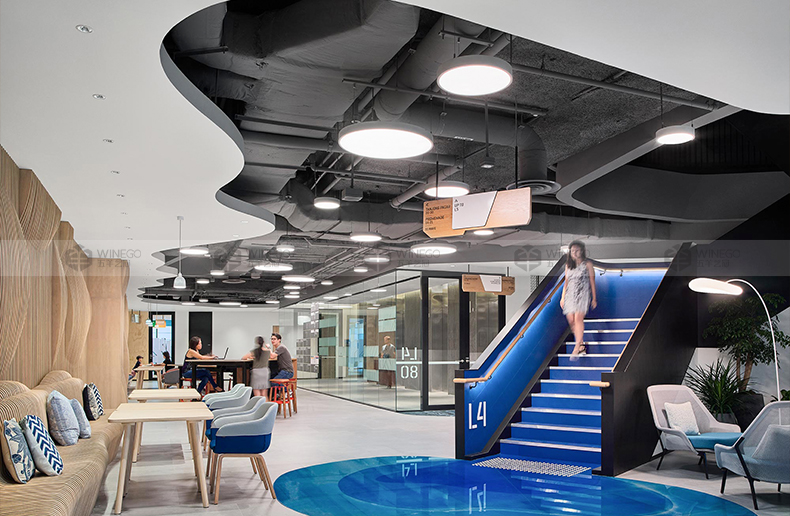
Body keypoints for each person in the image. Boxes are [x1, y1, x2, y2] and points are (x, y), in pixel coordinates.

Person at [560, 240, 597, 359]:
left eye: (577, 250)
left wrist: (594, 298)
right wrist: (562, 297)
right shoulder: (568, 265)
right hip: (570, 294)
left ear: (582, 251)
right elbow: (566, 282)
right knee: (571, 320)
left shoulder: (587, 264)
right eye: (572, 251)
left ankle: (576, 347)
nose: (575, 253)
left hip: (583, 293)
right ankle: (581, 345)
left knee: (578, 318)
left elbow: (592, 281)